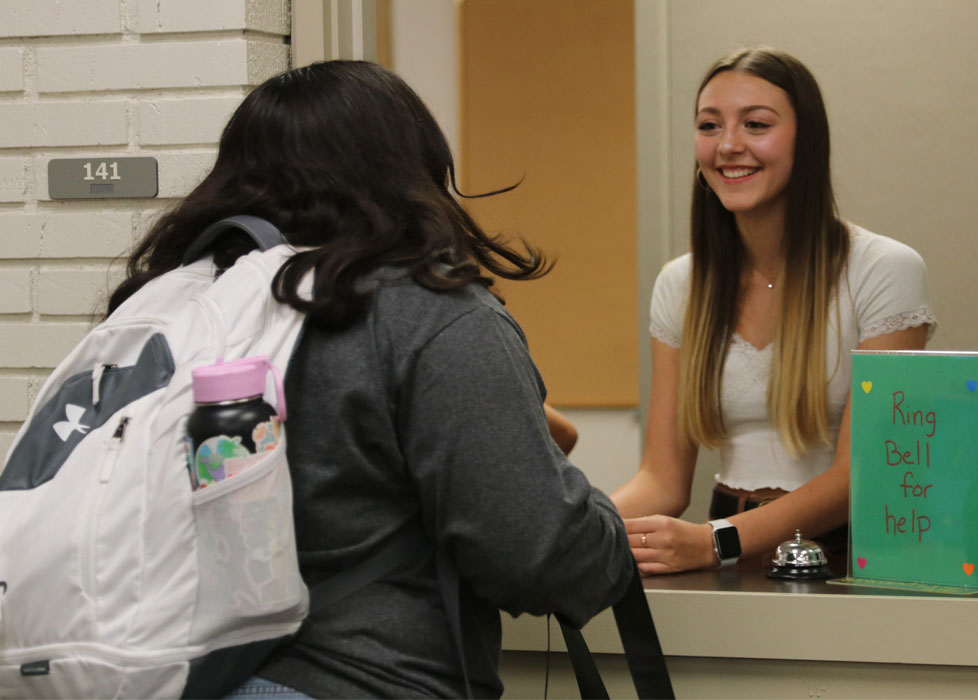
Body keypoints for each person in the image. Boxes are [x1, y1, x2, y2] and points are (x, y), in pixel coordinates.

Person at [106, 60, 634, 699]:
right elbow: (538, 553)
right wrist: (603, 526)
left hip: (154, 678)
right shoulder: (426, 312)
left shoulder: (169, 309)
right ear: (410, 170)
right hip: (358, 680)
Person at [611, 47, 936, 576]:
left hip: (844, 555)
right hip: (722, 552)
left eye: (756, 124)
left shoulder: (884, 269)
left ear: (807, 142)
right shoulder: (680, 284)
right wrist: (573, 528)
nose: (729, 146)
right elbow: (663, 483)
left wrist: (714, 542)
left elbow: (864, 472)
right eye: (709, 125)